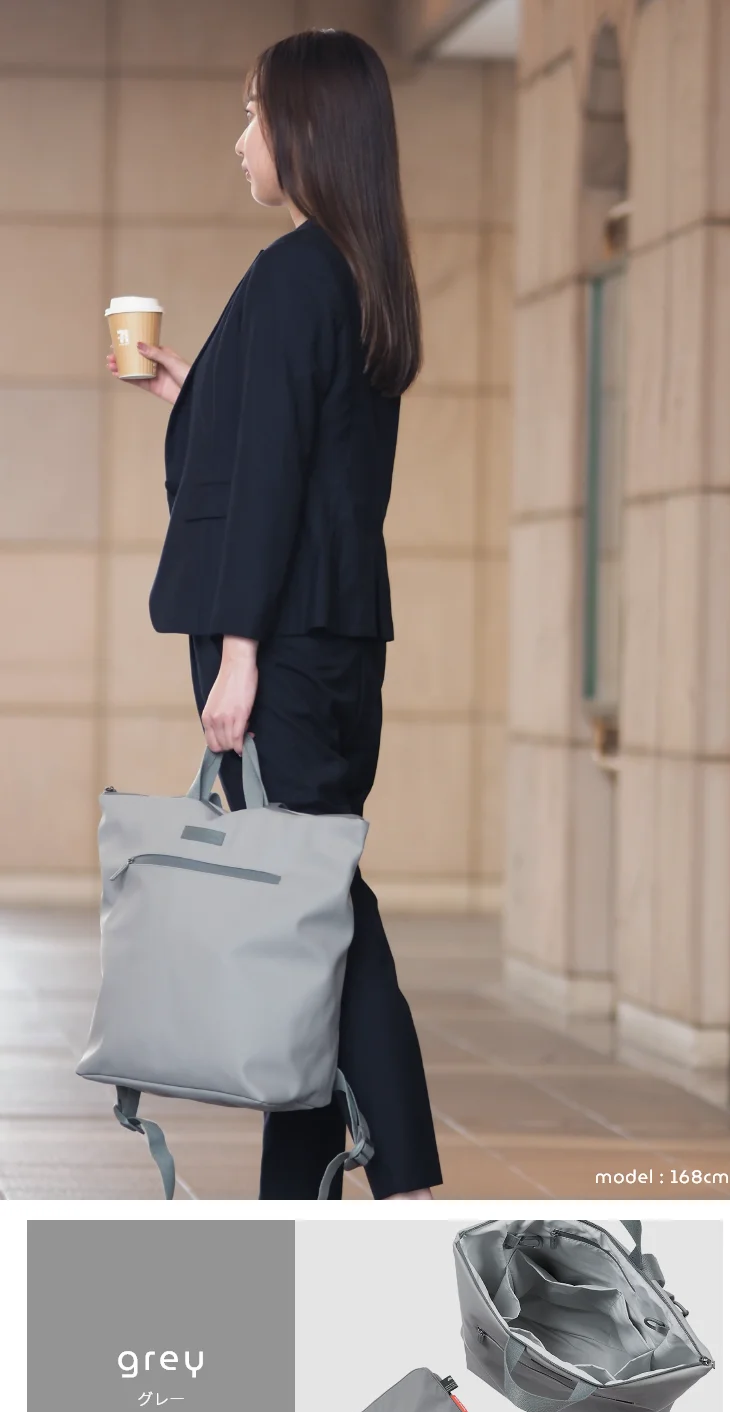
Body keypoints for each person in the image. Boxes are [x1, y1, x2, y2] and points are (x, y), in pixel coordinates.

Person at [106, 28, 442, 1201]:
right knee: (310, 906)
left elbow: (270, 481)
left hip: (284, 649)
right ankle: (297, 1201)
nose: (242, 137)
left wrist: (238, 654)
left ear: (303, 128)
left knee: (318, 909)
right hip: (338, 641)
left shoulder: (295, 271)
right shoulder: (356, 273)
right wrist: (197, 392)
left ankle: (408, 1178)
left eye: (254, 112)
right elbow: (296, 446)